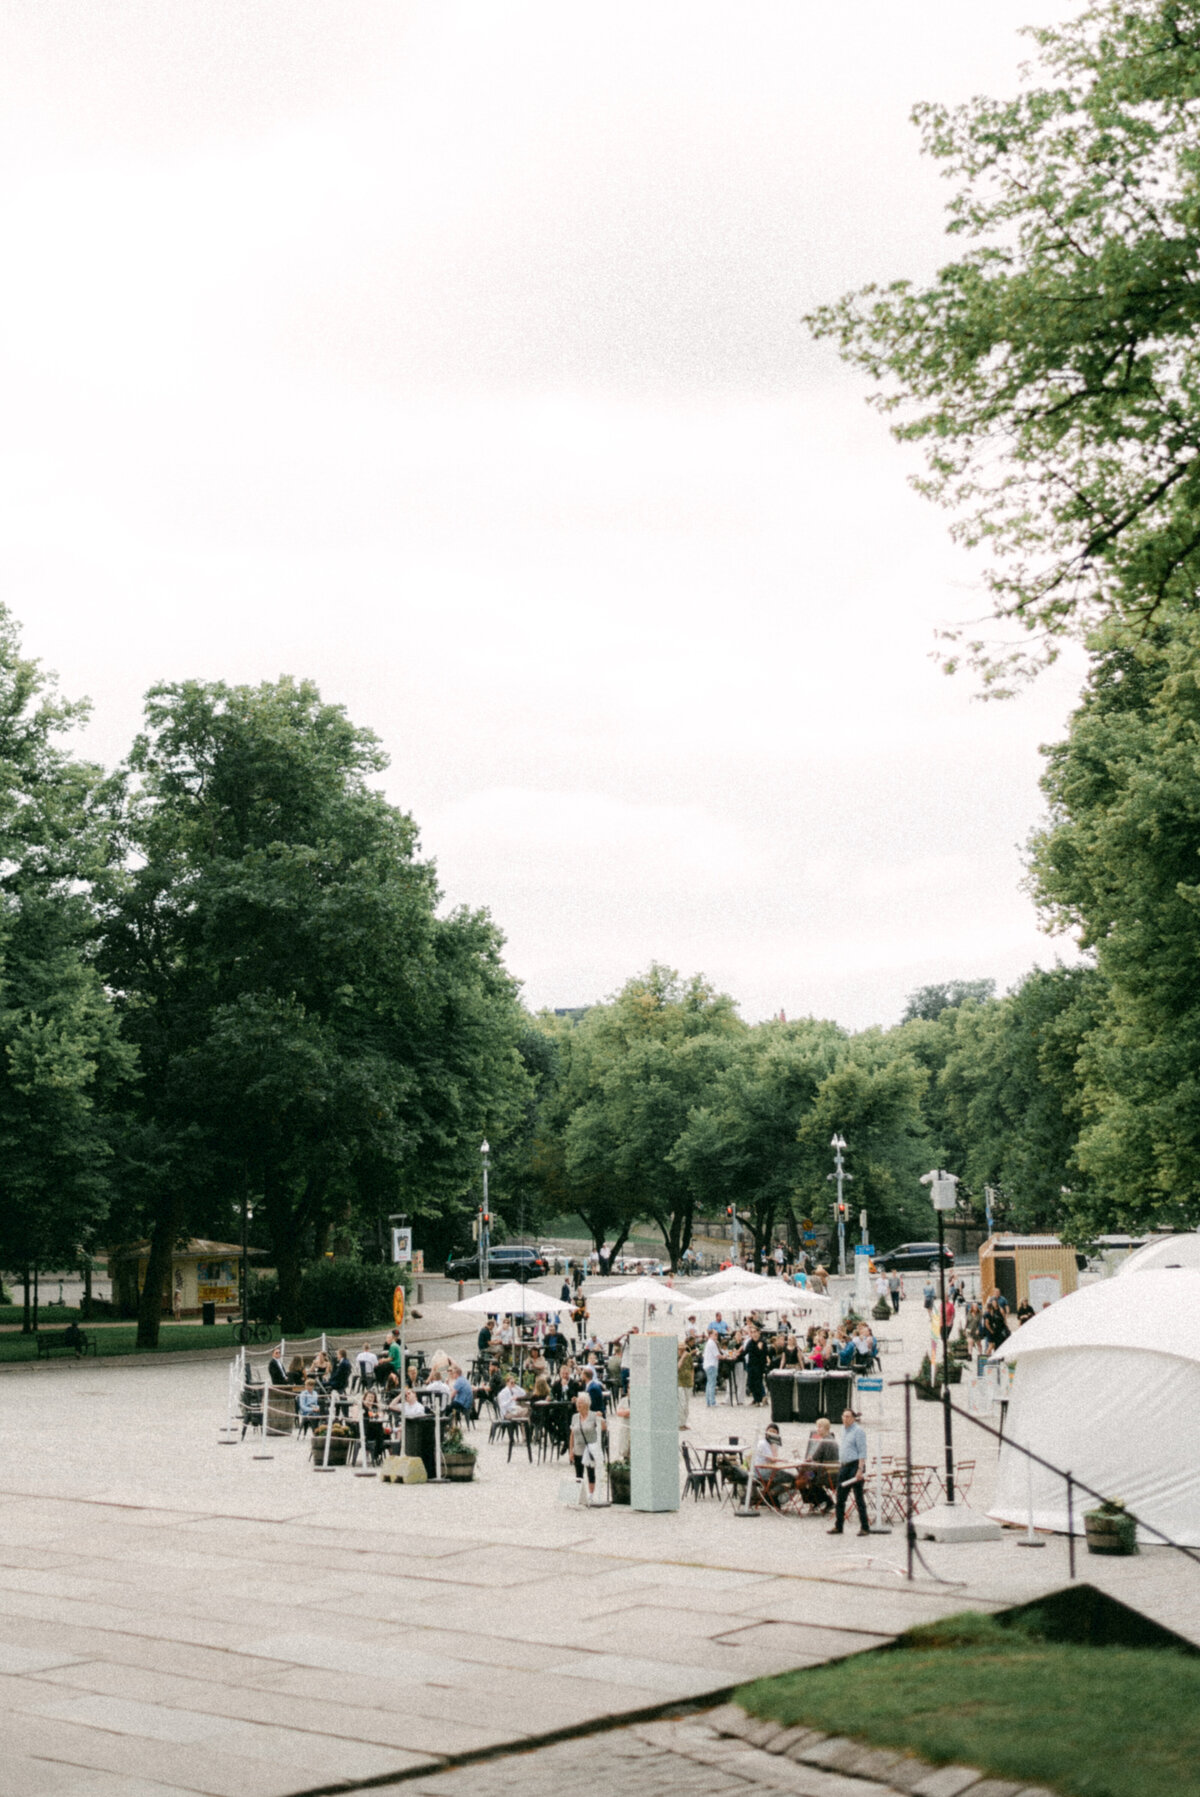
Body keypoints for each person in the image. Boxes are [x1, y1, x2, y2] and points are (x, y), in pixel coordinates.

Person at [829, 1409, 872, 1536]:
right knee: (840, 1497)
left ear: (853, 1418)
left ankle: (865, 1527)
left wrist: (860, 1469)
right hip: (844, 1465)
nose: (845, 1419)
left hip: (855, 1465)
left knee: (858, 1497)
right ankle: (839, 1525)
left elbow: (862, 1452)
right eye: (844, 1416)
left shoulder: (858, 1431)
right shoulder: (843, 1430)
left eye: (848, 1416)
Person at [796, 1417, 839, 1512]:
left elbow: (815, 1458)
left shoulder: (825, 1442)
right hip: (833, 1472)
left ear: (826, 1429)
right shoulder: (832, 1440)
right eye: (817, 1427)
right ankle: (818, 1501)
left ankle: (821, 1500)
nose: (817, 1429)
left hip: (825, 1474)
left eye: (820, 1427)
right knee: (806, 1477)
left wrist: (808, 1459)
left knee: (802, 1479)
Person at [569, 1393, 606, 1494]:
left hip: (590, 1449)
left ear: (586, 1404)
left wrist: (601, 1419)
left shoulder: (593, 1415)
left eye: (580, 1403)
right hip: (578, 1448)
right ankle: (579, 1495)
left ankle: (591, 1495)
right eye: (577, 1403)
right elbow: (572, 1434)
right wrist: (571, 1450)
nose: (578, 1405)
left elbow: (603, 1428)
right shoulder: (575, 1417)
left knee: (591, 1473)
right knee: (578, 1473)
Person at [751, 1423, 795, 1506]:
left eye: (774, 1432)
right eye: (770, 1431)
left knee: (791, 1477)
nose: (772, 1433)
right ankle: (771, 1494)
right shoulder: (763, 1443)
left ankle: (772, 1494)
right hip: (760, 1470)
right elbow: (773, 1458)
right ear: (766, 1432)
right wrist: (785, 1459)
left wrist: (774, 1445)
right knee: (791, 1478)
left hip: (769, 1468)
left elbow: (774, 1459)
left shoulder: (773, 1444)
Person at [744, 1325, 769, 1406]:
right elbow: (745, 1352)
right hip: (751, 1365)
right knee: (751, 1383)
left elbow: (763, 1355)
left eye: (755, 1332)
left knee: (758, 1382)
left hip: (759, 1366)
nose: (754, 1334)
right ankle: (759, 1398)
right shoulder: (750, 1342)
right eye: (752, 1332)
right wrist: (736, 1355)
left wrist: (760, 1349)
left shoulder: (762, 1342)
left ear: (759, 1333)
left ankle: (758, 1400)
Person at [677, 1339, 694, 1429]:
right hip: (679, 1382)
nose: (682, 1351)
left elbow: (692, 1368)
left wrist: (692, 1379)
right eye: (680, 1349)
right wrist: (682, 1357)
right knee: (681, 1403)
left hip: (688, 1382)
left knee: (686, 1404)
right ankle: (679, 1423)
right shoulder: (676, 1357)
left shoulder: (688, 1356)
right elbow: (677, 1368)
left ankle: (683, 1423)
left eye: (683, 1349)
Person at [702, 1326, 721, 1407]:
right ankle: (712, 1402)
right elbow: (717, 1355)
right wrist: (726, 1357)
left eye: (717, 1335)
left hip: (707, 1365)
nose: (716, 1336)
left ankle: (709, 1401)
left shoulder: (709, 1342)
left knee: (709, 1384)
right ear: (710, 1335)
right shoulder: (712, 1343)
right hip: (711, 1365)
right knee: (712, 1384)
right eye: (715, 1334)